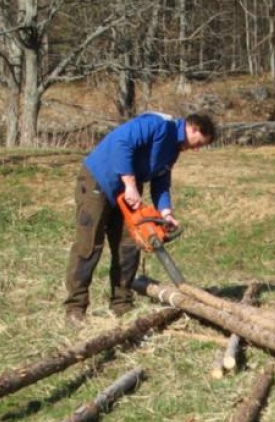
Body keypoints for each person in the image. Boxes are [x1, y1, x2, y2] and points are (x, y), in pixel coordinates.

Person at [63, 110, 217, 322]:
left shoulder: (172, 150)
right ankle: (75, 307)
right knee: (89, 245)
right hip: (99, 181)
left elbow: (161, 182)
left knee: (129, 245)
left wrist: (166, 213)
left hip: (128, 192)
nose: (197, 149)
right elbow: (121, 143)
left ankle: (122, 303)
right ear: (193, 127)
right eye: (198, 143)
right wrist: (129, 184)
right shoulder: (157, 125)